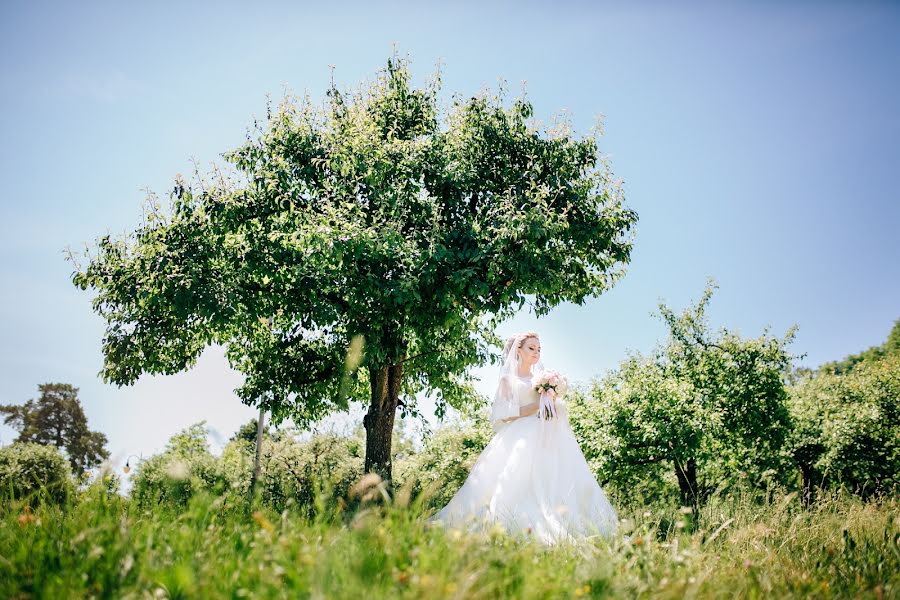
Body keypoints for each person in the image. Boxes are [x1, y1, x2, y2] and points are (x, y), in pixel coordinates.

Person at [427, 331, 619, 546]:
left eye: (539, 349)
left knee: (554, 478)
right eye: (531, 348)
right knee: (515, 478)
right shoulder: (508, 380)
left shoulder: (542, 379)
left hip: (549, 436)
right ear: (518, 350)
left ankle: (567, 520)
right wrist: (537, 405)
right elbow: (503, 413)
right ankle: (510, 522)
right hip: (520, 436)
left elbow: (551, 409)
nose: (536, 352)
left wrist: (552, 402)